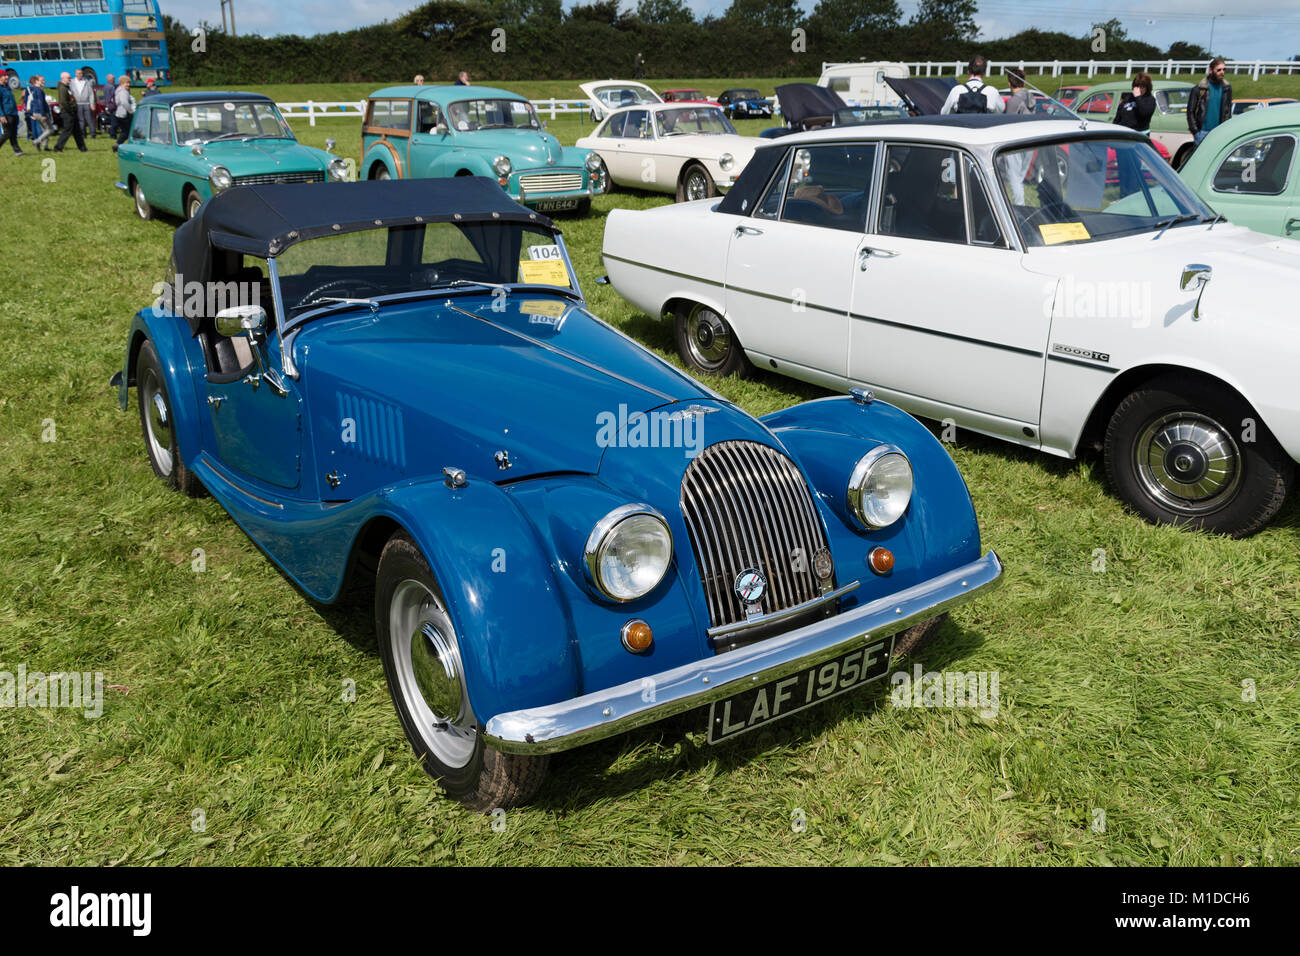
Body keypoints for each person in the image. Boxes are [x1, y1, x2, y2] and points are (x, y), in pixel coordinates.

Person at [1188, 57, 1232, 146]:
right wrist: (1196, 132)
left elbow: (1228, 111)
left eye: (1224, 69)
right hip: (1202, 133)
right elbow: (1190, 111)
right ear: (1211, 70)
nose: (1222, 72)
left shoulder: (1227, 88)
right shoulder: (1199, 89)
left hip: (1220, 133)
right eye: (1219, 70)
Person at [53, 71, 86, 152]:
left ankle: (82, 148)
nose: (70, 79)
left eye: (70, 78)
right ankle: (58, 147)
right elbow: (64, 102)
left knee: (77, 131)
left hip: (72, 112)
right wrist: (71, 110)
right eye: (68, 78)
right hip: (67, 113)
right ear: (63, 78)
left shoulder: (67, 87)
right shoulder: (62, 88)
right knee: (67, 131)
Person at [24, 75, 51, 149]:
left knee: (44, 129)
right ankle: (37, 141)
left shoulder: (31, 89)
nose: (44, 82)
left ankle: (45, 146)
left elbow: (29, 102)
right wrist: (43, 114)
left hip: (35, 112)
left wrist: (31, 113)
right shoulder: (38, 90)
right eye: (42, 80)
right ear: (36, 81)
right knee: (50, 129)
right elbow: (40, 102)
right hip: (40, 112)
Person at [0, 76, 23, 156]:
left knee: (13, 133)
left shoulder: (7, 87)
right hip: (6, 114)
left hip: (13, 113)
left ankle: (17, 151)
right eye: (4, 75)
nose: (7, 77)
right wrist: (1, 115)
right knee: (7, 133)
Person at [112, 75, 135, 151]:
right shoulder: (123, 91)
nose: (128, 85)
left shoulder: (118, 90)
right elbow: (124, 102)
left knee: (126, 131)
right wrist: (130, 111)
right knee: (127, 132)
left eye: (129, 83)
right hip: (124, 114)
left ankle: (119, 144)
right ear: (122, 83)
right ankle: (117, 144)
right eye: (126, 83)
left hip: (119, 113)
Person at [71, 67, 95, 138]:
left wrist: (92, 104)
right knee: (81, 120)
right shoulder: (72, 82)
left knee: (89, 119)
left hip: (87, 103)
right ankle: (83, 134)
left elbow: (91, 94)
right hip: (78, 104)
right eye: (79, 73)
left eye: (81, 73)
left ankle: (93, 134)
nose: (80, 75)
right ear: (75, 74)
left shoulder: (86, 82)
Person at [101, 73, 116, 139]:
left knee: (112, 120)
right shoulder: (112, 87)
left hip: (108, 105)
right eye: (113, 79)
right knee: (114, 121)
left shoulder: (105, 86)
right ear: (111, 79)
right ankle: (112, 135)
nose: (114, 80)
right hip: (112, 106)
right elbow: (113, 97)